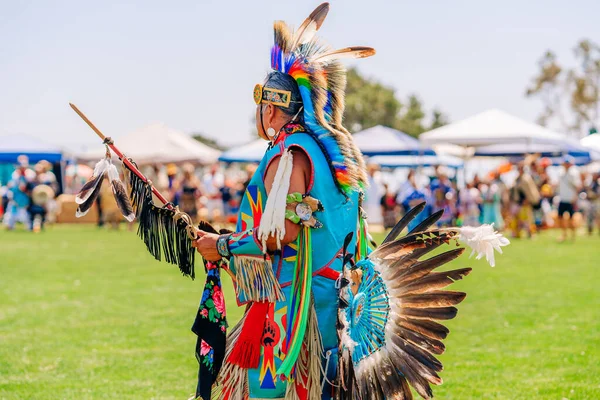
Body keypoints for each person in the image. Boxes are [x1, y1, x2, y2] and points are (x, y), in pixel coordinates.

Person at [189, 4, 507, 399]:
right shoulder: (335, 156)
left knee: (267, 391)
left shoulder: (287, 154)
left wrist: (219, 245)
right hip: (340, 296)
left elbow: (282, 234)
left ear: (269, 108)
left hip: (293, 310)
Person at [3, 155, 34, 230]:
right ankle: (10, 225)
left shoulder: (30, 174)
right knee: (11, 211)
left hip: (25, 197)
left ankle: (30, 227)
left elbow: (31, 186)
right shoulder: (15, 174)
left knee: (25, 213)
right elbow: (11, 185)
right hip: (15, 196)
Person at [556, 156, 580, 241]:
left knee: (571, 218)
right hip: (562, 198)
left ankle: (572, 235)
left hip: (570, 199)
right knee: (560, 217)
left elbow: (577, 186)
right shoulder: (560, 172)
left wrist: (575, 197)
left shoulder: (574, 173)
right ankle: (564, 234)